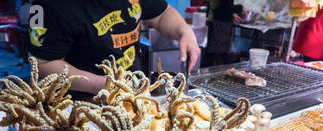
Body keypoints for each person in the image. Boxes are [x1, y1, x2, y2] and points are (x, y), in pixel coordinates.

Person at [28, 0, 201, 96]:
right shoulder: (48, 5)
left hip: (133, 90)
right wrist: (100, 84)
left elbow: (162, 14)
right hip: (80, 103)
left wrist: (183, 30)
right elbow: (43, 64)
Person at [203, 0, 245, 66]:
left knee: (215, 52)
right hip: (219, 23)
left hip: (217, 21)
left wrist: (232, 13)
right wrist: (240, 7)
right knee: (216, 53)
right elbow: (224, 8)